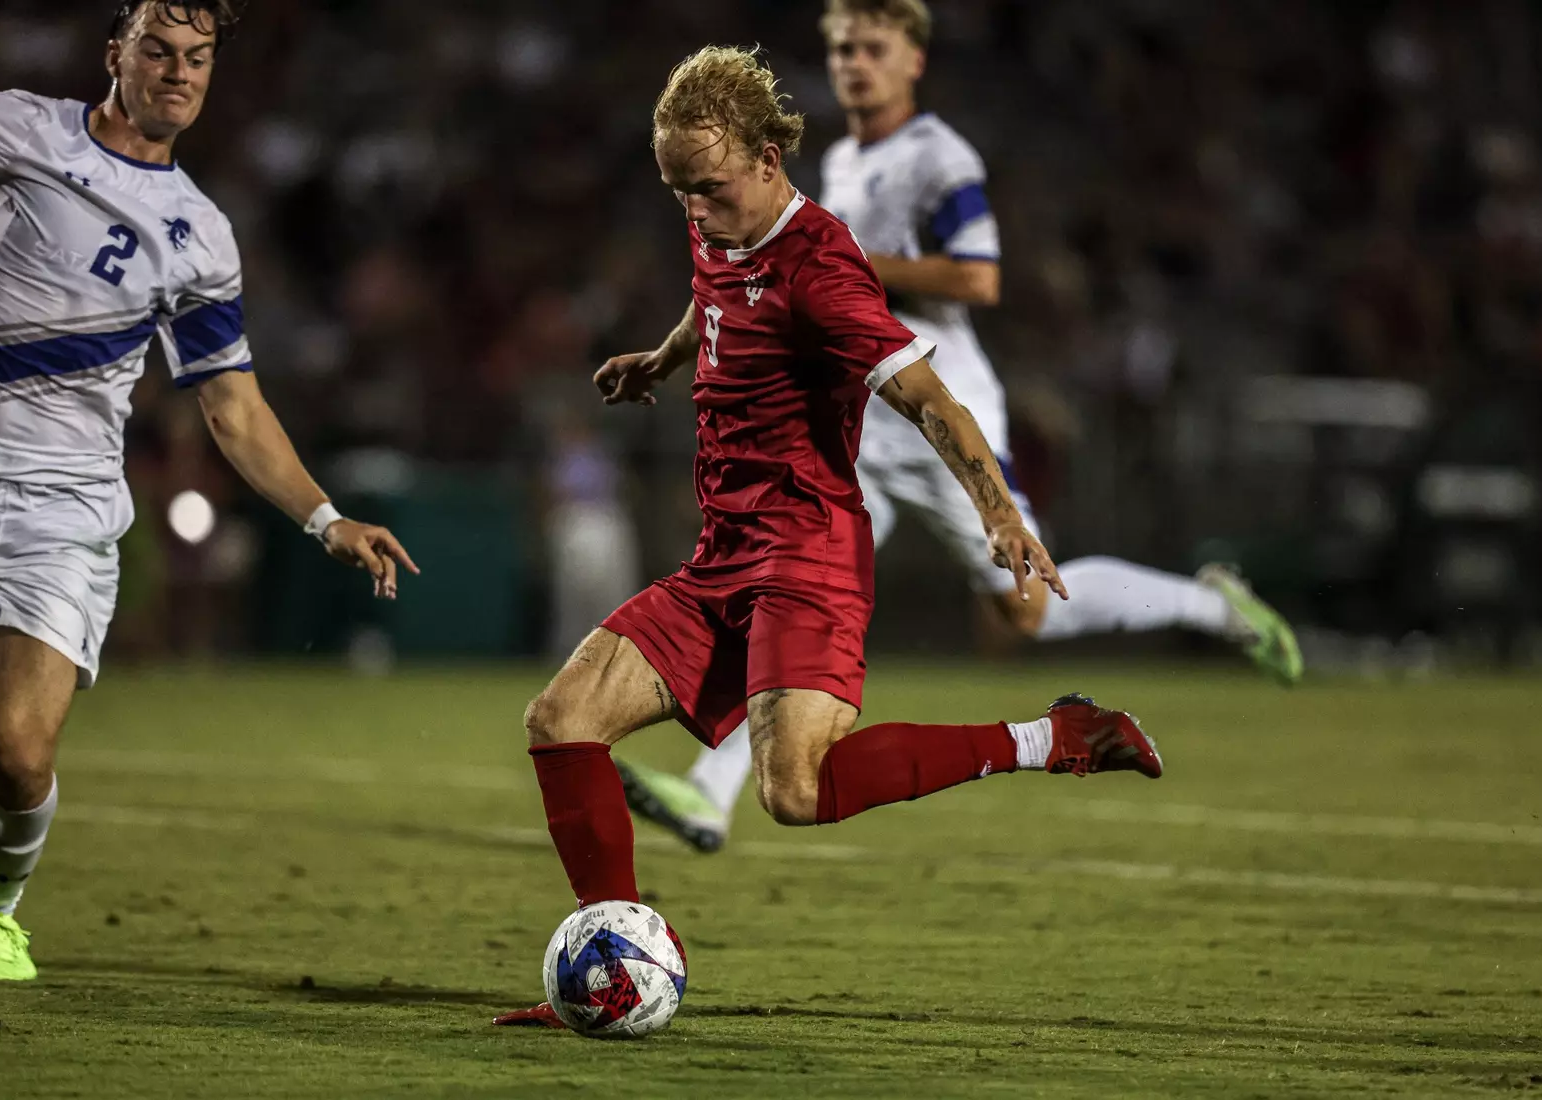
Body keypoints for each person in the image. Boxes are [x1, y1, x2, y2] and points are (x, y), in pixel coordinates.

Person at [494, 44, 1160, 1029]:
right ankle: (608, 963)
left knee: (795, 792)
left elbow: (927, 397)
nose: (695, 211)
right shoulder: (718, 220)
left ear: (769, 156)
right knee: (561, 719)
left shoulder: (822, 265)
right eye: (678, 191)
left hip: (806, 556)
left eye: (710, 189)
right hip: (722, 555)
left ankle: (1054, 735)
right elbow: (713, 286)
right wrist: (667, 357)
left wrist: (999, 508)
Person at [616, 0, 1303, 853]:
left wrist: (847, 259)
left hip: (936, 398)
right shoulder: (838, 160)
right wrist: (671, 352)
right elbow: (745, 277)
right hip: (861, 410)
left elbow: (978, 279)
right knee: (784, 578)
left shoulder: (942, 158)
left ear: (914, 60)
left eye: (873, 48)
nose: (853, 64)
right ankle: (710, 796)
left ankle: (1211, 607)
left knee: (1027, 615)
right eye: (840, 49)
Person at [0, 0, 417, 981]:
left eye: (197, 59)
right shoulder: (19, 128)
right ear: (113, 52)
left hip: (65, 512)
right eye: (158, 52)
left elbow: (233, 408)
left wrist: (325, 517)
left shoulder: (200, 234)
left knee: (19, 752)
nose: (178, 74)